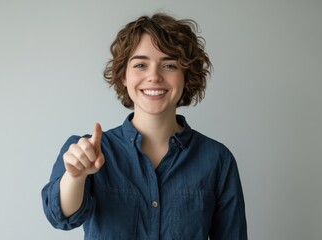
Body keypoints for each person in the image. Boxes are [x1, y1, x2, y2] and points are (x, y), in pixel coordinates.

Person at [41, 12, 247, 239]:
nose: (154, 76)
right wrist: (76, 177)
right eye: (140, 64)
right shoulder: (87, 151)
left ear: (186, 76)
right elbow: (60, 216)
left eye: (169, 65)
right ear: (123, 76)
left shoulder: (217, 159)